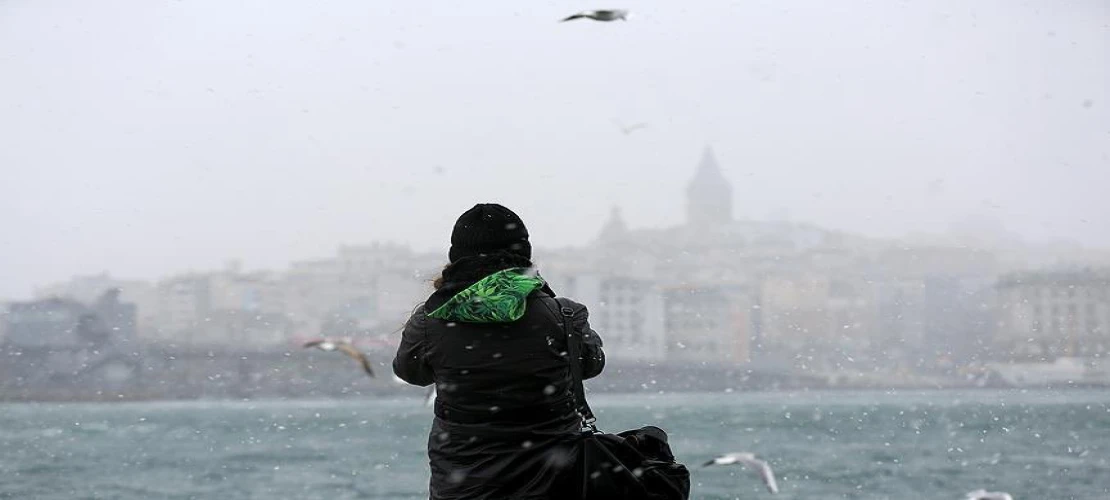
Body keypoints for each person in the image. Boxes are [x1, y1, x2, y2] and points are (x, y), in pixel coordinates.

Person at [393, 203, 606, 500]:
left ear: (456, 257)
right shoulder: (564, 315)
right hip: (554, 480)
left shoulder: (431, 320)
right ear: (524, 254)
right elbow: (591, 364)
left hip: (464, 485)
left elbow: (410, 372)